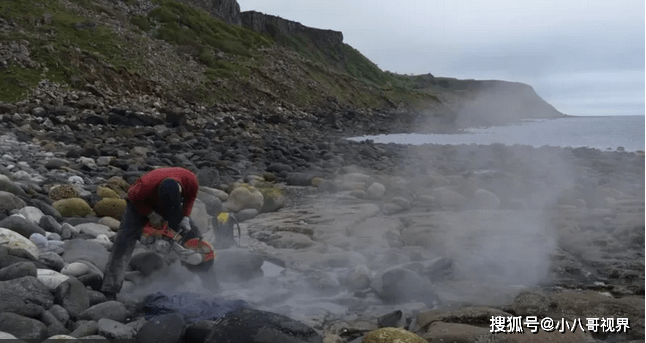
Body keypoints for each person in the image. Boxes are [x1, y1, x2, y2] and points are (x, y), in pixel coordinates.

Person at [101, 167, 205, 300]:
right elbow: (130, 196)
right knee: (124, 242)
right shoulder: (145, 185)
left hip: (172, 207)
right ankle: (110, 289)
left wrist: (185, 217)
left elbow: (190, 200)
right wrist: (150, 214)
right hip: (139, 206)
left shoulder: (190, 180)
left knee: (191, 234)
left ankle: (203, 278)